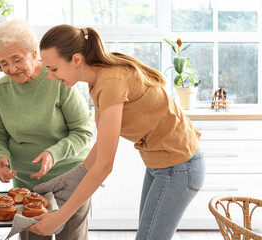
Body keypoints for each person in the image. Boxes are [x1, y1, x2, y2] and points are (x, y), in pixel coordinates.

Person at [27, 25, 206, 240]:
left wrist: (60, 217)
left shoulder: (111, 82)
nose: (49, 76)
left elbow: (104, 165)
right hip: (161, 165)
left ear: (75, 60)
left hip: (178, 167)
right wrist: (76, 176)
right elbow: (103, 144)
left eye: (53, 68)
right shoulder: (98, 80)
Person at [0, 20, 94, 240]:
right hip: (26, 188)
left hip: (69, 182)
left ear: (35, 53)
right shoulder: (2, 90)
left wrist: (54, 153)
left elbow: (84, 132)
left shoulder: (58, 79)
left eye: (17, 59)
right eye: (3, 63)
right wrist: (1, 157)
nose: (11, 69)